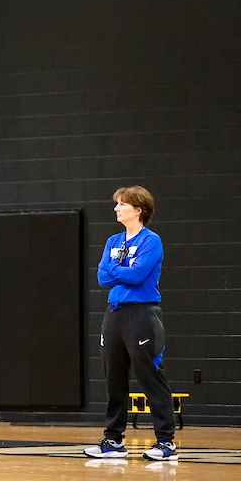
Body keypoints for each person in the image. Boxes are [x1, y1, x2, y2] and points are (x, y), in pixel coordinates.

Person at [84, 186, 178, 462]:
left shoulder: (152, 240)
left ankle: (166, 443)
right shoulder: (113, 241)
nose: (116, 208)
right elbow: (101, 278)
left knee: (150, 376)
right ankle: (113, 441)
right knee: (114, 378)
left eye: (122, 204)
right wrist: (118, 272)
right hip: (114, 314)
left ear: (138, 210)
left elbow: (137, 276)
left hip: (142, 315)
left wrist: (115, 271)